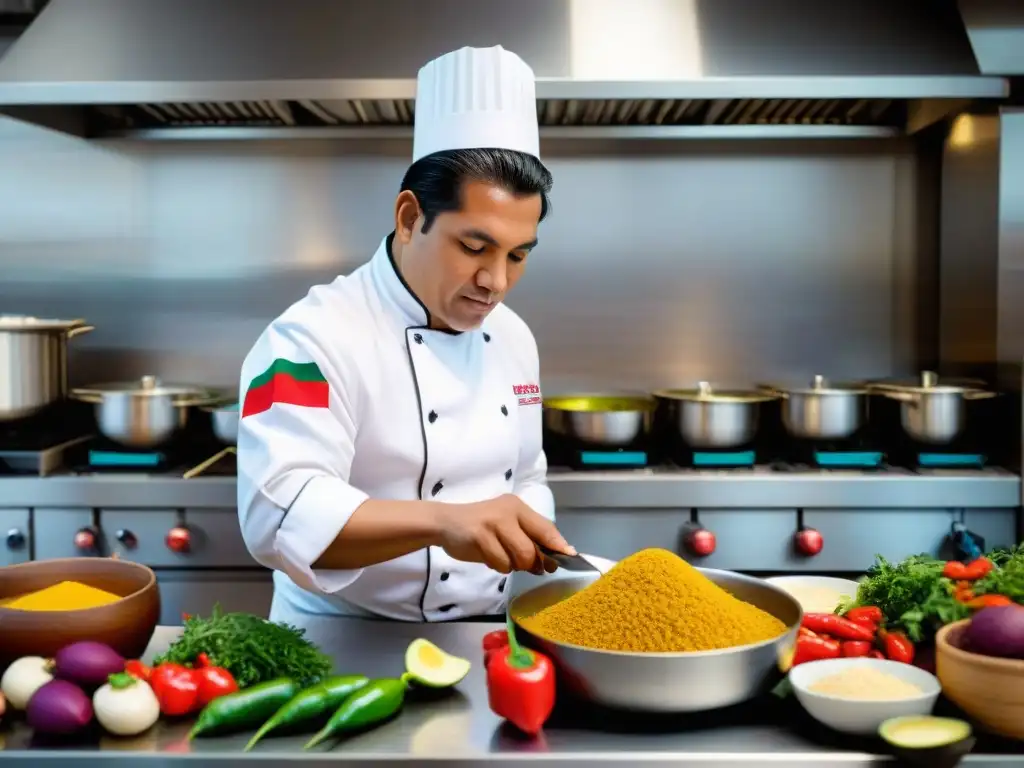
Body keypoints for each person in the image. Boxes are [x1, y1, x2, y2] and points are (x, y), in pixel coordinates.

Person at [236, 46, 576, 625]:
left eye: (518, 255)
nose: (495, 282)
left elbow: (526, 476)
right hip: (340, 644)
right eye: (474, 247)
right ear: (409, 217)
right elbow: (277, 515)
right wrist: (445, 523)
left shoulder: (514, 338)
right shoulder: (308, 339)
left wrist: (526, 526)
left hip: (485, 634)